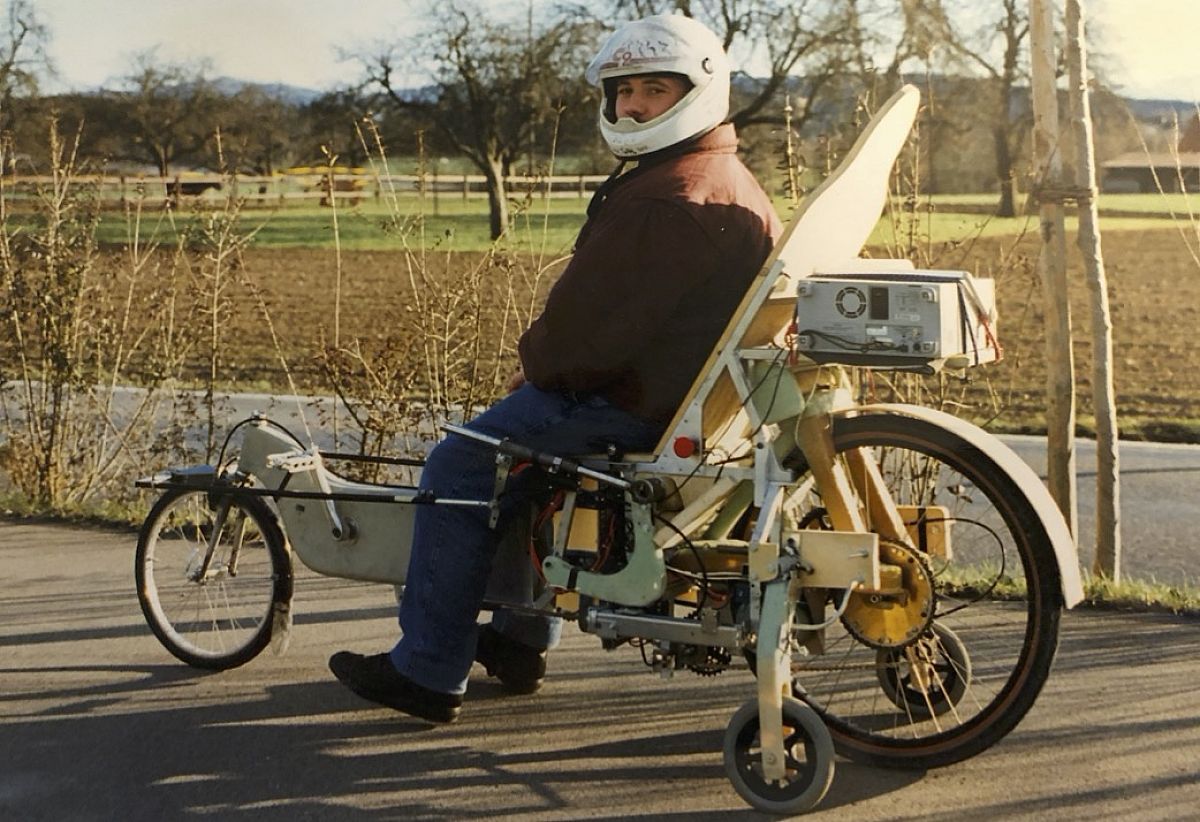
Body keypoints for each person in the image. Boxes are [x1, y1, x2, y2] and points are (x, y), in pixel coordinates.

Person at [329, 13, 782, 723]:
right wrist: (555, 371)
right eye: (622, 90)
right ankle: (516, 642)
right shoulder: (716, 176)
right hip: (669, 398)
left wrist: (541, 370)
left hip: (627, 402)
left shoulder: (670, 197)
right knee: (522, 461)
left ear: (696, 90)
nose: (631, 106)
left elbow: (581, 339)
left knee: (459, 465)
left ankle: (426, 670)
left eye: (652, 90)